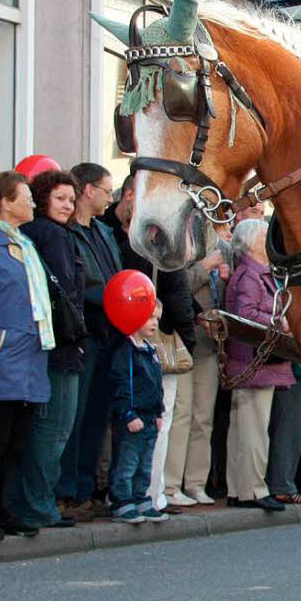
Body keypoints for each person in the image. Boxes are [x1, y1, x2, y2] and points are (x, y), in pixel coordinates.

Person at [101, 175, 196, 512]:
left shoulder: (120, 243)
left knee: (145, 428)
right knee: (151, 428)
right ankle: (143, 495)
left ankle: (140, 494)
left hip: (138, 336)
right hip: (152, 338)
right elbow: (177, 295)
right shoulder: (157, 252)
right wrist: (188, 336)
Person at [0, 171, 54, 541]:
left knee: (15, 444)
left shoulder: (22, 241)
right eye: (27, 197)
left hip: (26, 358)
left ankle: (4, 510)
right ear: (5, 202)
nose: (34, 203)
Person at [7, 171, 85, 530]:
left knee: (44, 431)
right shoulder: (51, 236)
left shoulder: (39, 234)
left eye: (71, 199)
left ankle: (33, 502)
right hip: (59, 347)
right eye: (60, 199)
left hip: (50, 346)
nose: (68, 206)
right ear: (41, 200)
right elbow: (65, 292)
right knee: (53, 430)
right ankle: (38, 505)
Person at [59, 163, 120, 521]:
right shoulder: (66, 233)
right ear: (88, 190)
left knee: (96, 418)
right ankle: (66, 492)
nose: (110, 197)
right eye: (106, 190)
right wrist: (114, 296)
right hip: (82, 334)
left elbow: (114, 275)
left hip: (108, 333)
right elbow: (82, 284)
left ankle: (84, 490)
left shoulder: (103, 230)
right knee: (74, 417)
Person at [224, 219, 291, 512]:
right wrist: (281, 322)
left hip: (253, 362)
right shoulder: (251, 276)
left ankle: (239, 489)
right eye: (264, 234)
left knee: (244, 429)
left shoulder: (251, 273)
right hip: (255, 362)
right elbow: (245, 314)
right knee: (253, 429)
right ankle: (252, 489)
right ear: (251, 242)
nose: (269, 239)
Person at [167, 241, 232, 505]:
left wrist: (226, 278)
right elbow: (177, 288)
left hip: (209, 344)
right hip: (183, 340)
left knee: (203, 418)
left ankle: (195, 483)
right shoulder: (181, 244)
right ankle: (170, 485)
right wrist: (205, 268)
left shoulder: (223, 247)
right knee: (180, 414)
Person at [108, 300, 169, 524]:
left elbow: (156, 385)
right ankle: (121, 500)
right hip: (133, 417)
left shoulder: (150, 350)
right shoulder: (127, 350)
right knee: (127, 462)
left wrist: (159, 412)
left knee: (145, 464)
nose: (154, 323)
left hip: (149, 418)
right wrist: (127, 413)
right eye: (150, 317)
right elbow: (121, 384)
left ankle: (139, 496)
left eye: (157, 319)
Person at [266, 363, 301, 505]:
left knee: (291, 430)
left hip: (297, 368)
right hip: (286, 367)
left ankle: (283, 485)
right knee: (286, 429)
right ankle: (281, 486)